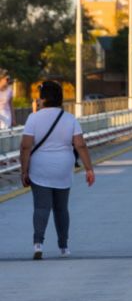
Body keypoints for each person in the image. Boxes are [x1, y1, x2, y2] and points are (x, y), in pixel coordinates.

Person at [19, 81, 95, 259]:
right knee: (61, 209)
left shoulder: (34, 118)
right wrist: (89, 169)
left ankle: (38, 245)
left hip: (40, 169)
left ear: (43, 98)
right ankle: (64, 246)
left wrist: (24, 171)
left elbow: (25, 147)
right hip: (63, 168)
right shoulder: (70, 119)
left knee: (41, 207)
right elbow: (80, 145)